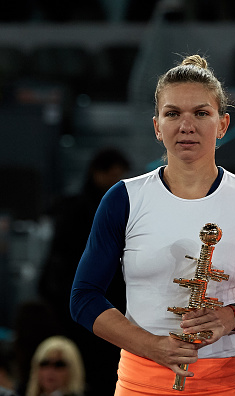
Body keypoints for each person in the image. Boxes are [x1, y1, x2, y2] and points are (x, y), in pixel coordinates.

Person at [70, 54, 235, 395]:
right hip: (140, 384)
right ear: (157, 126)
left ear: (223, 124)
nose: (186, 126)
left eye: (201, 113)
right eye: (173, 113)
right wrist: (151, 345)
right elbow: (84, 298)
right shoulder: (124, 199)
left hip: (225, 384)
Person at [38, 147, 130, 396]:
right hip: (76, 301)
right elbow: (61, 257)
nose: (116, 180)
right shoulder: (77, 209)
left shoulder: (117, 206)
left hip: (108, 301)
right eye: (112, 173)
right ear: (96, 172)